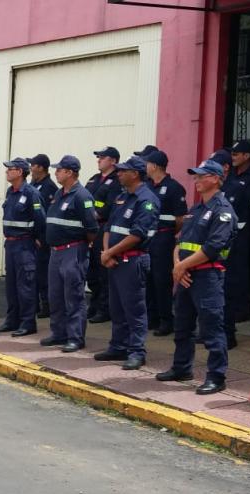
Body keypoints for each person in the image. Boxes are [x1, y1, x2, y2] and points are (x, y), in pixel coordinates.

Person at [155, 160, 237, 394]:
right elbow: (180, 242)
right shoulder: (197, 209)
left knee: (211, 329)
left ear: (215, 178)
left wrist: (181, 267)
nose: (197, 180)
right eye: (196, 176)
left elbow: (213, 248)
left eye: (201, 176)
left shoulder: (222, 210)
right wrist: (178, 265)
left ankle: (216, 377)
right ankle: (181, 368)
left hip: (207, 277)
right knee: (182, 326)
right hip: (186, 276)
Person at [94, 156, 160, 370]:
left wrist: (109, 252)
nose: (119, 173)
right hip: (114, 260)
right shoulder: (122, 197)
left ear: (136, 174)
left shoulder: (146, 199)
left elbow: (138, 234)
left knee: (134, 309)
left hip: (133, 261)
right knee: (117, 307)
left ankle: (137, 351)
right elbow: (109, 227)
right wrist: (107, 252)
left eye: (123, 171)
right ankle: (118, 346)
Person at [38, 155, 97, 351]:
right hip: (56, 252)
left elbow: (91, 229)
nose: (56, 172)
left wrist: (81, 246)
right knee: (56, 295)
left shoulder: (82, 196)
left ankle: (75, 337)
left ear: (70, 172)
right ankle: (59, 333)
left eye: (59, 170)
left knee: (73, 296)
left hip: (73, 251)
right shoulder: (58, 193)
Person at [0, 158, 46, 338]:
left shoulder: (31, 193)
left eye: (11, 169)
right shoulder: (11, 191)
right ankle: (12, 319)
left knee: (26, 285)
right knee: (11, 285)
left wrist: (37, 238)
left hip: (25, 244)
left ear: (20, 172)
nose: (7, 172)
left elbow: (40, 219)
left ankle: (27, 322)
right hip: (11, 243)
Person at [223, 140, 250, 347]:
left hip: (244, 227)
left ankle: (242, 309)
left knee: (239, 270)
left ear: (247, 156)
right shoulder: (231, 175)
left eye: (237, 154)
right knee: (229, 271)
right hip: (226, 229)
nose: (234, 157)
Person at [143, 148, 187, 336]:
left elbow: (180, 219)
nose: (145, 167)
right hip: (147, 237)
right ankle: (151, 317)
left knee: (162, 280)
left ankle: (166, 320)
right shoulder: (147, 186)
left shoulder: (174, 187)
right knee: (148, 279)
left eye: (147, 164)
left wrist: (169, 233)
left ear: (154, 166)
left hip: (163, 237)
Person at [86, 146, 121, 324]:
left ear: (113, 161)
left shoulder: (117, 181)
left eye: (103, 157)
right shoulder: (94, 179)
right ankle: (94, 304)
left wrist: (92, 215)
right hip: (90, 229)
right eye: (98, 156)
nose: (99, 159)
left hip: (103, 227)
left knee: (102, 271)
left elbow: (110, 206)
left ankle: (104, 308)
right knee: (91, 271)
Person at [27, 154, 57, 318]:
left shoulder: (49, 188)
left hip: (42, 239)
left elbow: (46, 216)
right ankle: (35, 304)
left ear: (40, 167)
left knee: (43, 274)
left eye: (33, 165)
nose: (30, 168)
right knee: (33, 274)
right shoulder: (32, 184)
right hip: (31, 238)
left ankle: (47, 305)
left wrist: (41, 238)